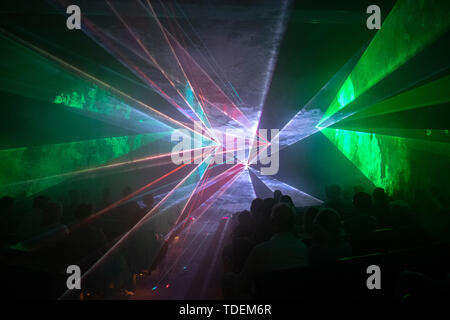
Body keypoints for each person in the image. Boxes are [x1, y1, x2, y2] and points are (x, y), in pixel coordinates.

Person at [230, 203, 309, 296]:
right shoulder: (304, 248)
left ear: (272, 222)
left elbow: (243, 282)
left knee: (228, 279)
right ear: (293, 222)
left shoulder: (260, 251)